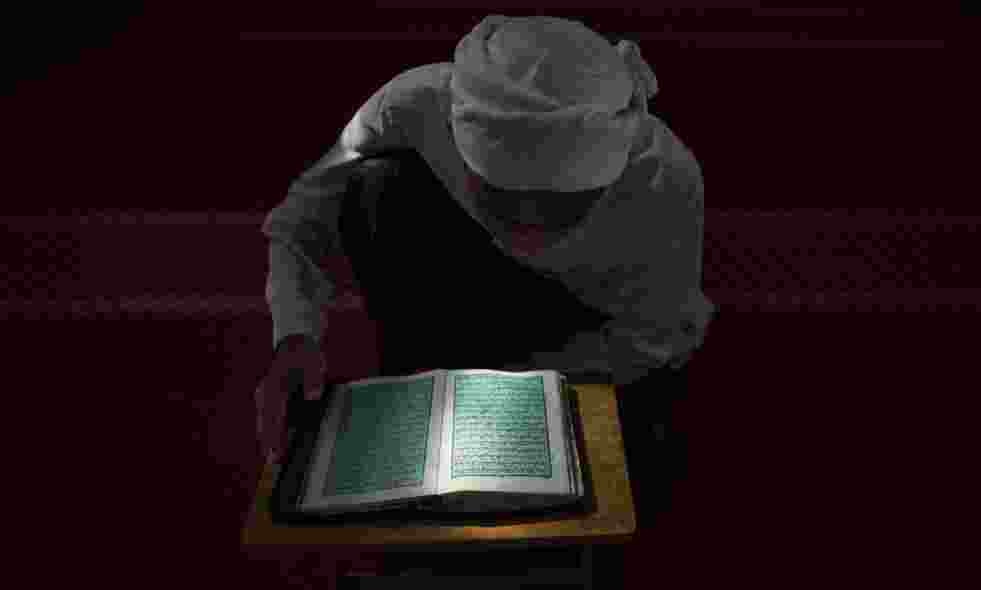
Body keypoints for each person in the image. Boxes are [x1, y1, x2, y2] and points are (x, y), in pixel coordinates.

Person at [255, 15, 715, 523]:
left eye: (559, 207)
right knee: (376, 188)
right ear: (459, 137)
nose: (529, 227)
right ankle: (417, 384)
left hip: (592, 323)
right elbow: (302, 215)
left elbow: (655, 336)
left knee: (644, 481)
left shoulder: (664, 179)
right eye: (503, 199)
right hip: (472, 277)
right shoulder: (416, 103)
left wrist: (526, 381)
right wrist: (294, 337)